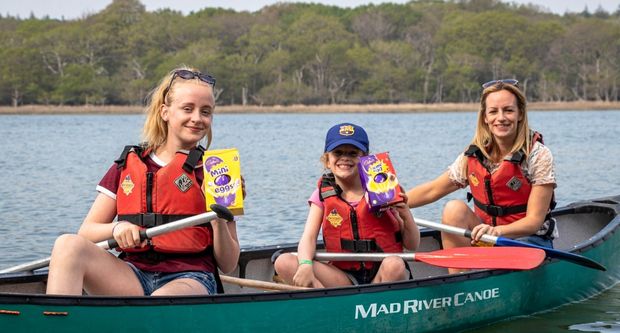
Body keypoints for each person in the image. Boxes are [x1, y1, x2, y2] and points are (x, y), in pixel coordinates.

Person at [46, 67, 240, 296]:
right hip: (133, 273)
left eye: (206, 111)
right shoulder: (127, 165)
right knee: (68, 245)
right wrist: (118, 227)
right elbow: (87, 232)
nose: (197, 118)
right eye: (187, 109)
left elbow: (228, 264)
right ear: (165, 112)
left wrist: (217, 218)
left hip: (191, 277)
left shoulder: (219, 171)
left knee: (160, 301)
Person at [406, 79, 557, 273]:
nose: (501, 118)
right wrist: (395, 203)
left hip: (526, 241)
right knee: (454, 209)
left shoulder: (538, 155)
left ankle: (483, 274)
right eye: (493, 111)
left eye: (508, 110)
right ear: (485, 117)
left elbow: (533, 221)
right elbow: (432, 190)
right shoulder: (475, 155)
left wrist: (497, 231)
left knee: (518, 241)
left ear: (520, 114)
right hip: (486, 239)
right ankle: (460, 281)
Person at [274, 123, 420, 287]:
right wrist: (305, 264)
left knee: (394, 263)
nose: (345, 158)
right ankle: (327, 302)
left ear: (365, 158)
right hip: (343, 276)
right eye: (338, 152)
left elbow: (412, 244)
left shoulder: (383, 189)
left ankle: (372, 304)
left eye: (353, 153)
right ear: (327, 160)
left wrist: (405, 213)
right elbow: (308, 237)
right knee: (283, 262)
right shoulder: (322, 195)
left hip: (383, 273)